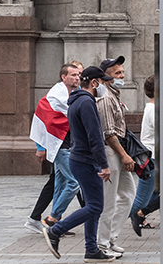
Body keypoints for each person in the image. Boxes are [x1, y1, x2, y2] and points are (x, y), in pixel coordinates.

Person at [43, 65, 116, 263]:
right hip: (85, 160)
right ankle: (55, 231)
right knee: (94, 207)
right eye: (101, 82)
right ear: (94, 82)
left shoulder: (77, 100)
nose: (103, 86)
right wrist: (104, 165)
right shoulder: (86, 102)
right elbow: (95, 137)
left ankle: (91, 249)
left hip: (80, 159)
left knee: (93, 205)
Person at [28, 61, 84, 233]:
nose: (78, 77)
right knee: (74, 182)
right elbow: (43, 120)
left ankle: (51, 221)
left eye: (79, 74)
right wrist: (40, 146)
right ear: (63, 77)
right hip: (60, 145)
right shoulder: (55, 96)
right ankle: (51, 219)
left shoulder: (75, 93)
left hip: (67, 145)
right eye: (74, 74)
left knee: (59, 183)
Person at [95, 56, 136, 256]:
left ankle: (110, 238)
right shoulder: (105, 98)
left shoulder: (114, 95)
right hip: (111, 151)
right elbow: (108, 133)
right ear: (106, 77)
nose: (122, 75)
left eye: (121, 72)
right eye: (117, 73)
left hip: (118, 150)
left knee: (128, 194)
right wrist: (124, 156)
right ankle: (101, 244)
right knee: (108, 201)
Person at [130, 75, 158, 236]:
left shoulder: (154, 108)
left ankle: (139, 215)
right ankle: (108, 221)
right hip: (151, 159)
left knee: (158, 193)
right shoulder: (153, 110)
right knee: (141, 200)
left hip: (154, 158)